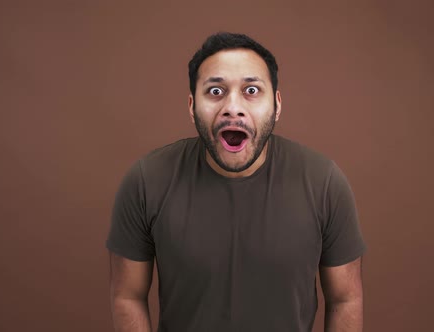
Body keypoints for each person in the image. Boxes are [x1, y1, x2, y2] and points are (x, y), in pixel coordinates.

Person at [106, 32, 367, 332]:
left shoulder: (324, 183)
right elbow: (128, 296)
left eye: (251, 90)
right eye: (215, 91)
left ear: (277, 104)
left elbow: (345, 299)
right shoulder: (145, 181)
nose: (233, 107)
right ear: (192, 106)